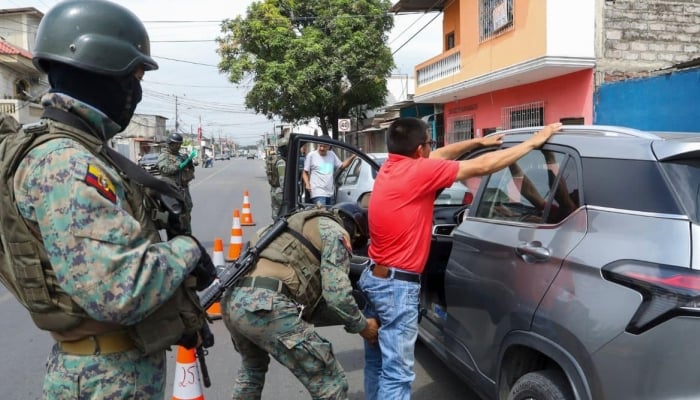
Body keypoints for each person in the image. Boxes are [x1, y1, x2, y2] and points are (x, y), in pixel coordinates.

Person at [0, 1, 216, 398]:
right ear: (101, 71)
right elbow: (119, 291)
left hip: (107, 369)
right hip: (107, 379)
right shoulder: (66, 162)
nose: (136, 91)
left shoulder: (83, 151)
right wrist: (187, 251)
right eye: (132, 77)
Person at [360, 117, 563, 399]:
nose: (434, 149)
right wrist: (533, 142)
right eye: (429, 144)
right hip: (397, 288)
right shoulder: (418, 173)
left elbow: (442, 154)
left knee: (377, 363)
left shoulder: (391, 167)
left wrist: (478, 142)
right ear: (419, 150)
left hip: (374, 278)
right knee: (397, 373)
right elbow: (483, 166)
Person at [221, 203, 379, 400]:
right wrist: (363, 326)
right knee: (329, 380)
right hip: (265, 304)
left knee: (252, 368)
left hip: (233, 302)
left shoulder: (290, 225)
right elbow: (336, 295)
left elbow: (313, 304)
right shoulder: (335, 231)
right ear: (355, 232)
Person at [158, 132, 196, 234]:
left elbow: (191, 169)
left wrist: (188, 162)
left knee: (186, 213)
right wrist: (179, 166)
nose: (178, 146)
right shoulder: (164, 156)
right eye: (175, 144)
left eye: (179, 144)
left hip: (183, 190)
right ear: (170, 144)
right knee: (173, 215)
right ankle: (174, 237)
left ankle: (187, 235)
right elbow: (164, 169)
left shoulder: (182, 156)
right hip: (170, 191)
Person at [302, 135, 355, 205]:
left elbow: (342, 166)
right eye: (320, 146)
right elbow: (305, 172)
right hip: (317, 192)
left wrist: (353, 156)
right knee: (322, 213)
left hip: (330, 193)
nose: (321, 148)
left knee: (329, 214)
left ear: (329, 146)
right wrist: (307, 184)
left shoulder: (332, 155)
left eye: (324, 146)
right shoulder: (311, 155)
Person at [265, 134, 287, 219]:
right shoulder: (281, 162)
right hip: (280, 192)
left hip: (273, 190)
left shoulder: (276, 159)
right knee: (284, 215)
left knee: (275, 215)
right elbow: (283, 181)